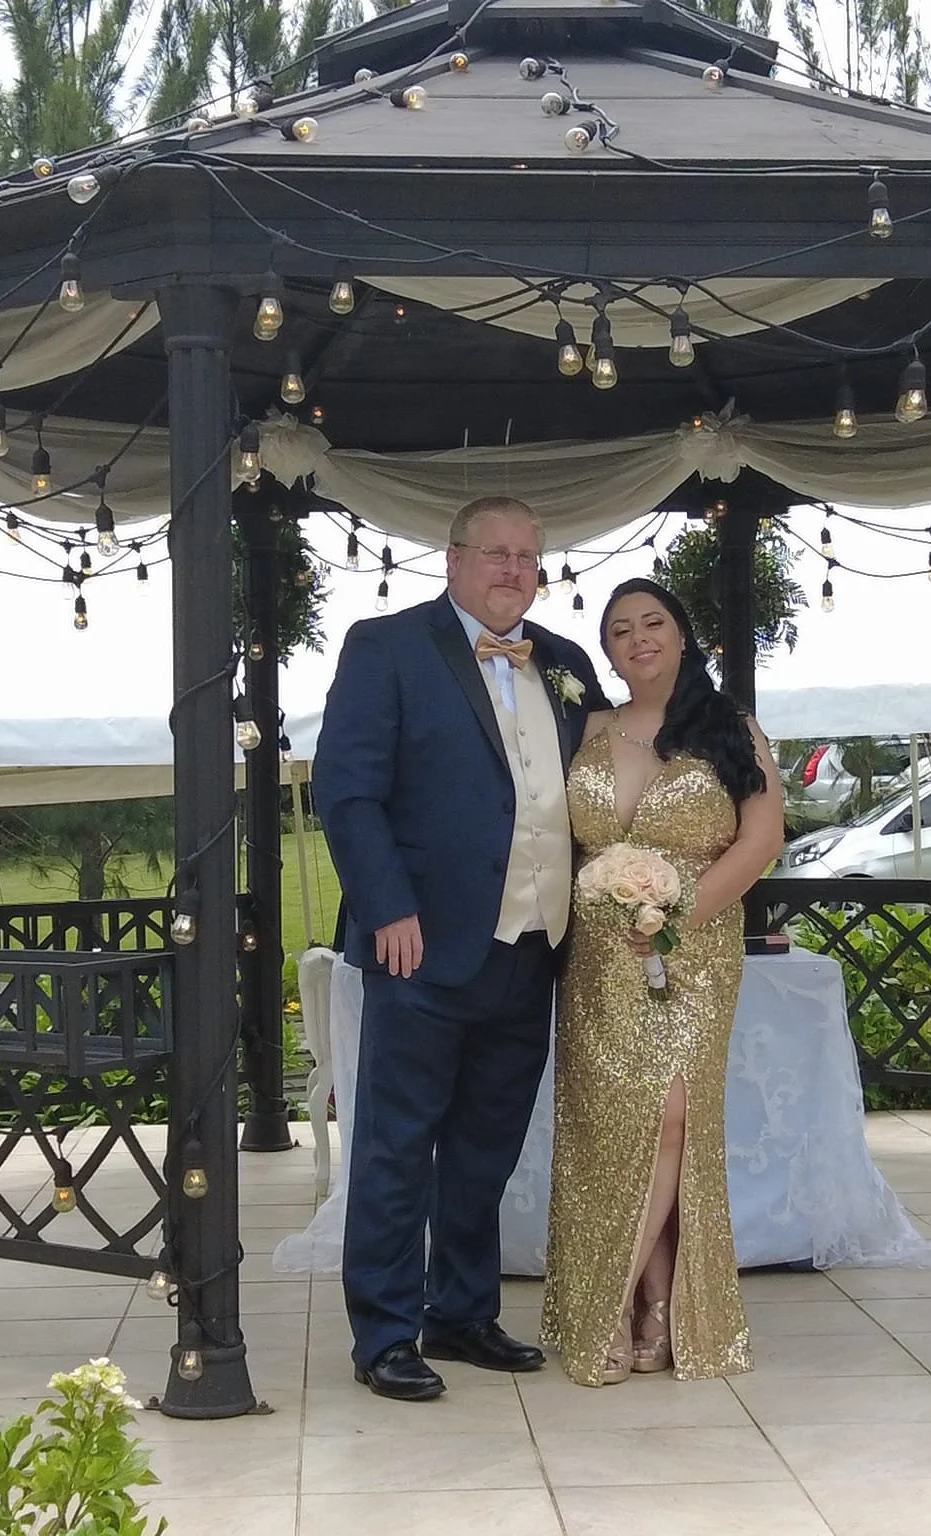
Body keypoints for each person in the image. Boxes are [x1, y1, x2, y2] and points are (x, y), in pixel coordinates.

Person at [313, 495, 611, 1402]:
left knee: (487, 1146)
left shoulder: (564, 662)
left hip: (533, 944)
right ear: (452, 560)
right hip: (421, 946)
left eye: (529, 555)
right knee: (398, 1145)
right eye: (496, 552)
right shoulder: (386, 647)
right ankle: (385, 1333)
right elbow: (346, 789)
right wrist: (387, 906)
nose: (514, 570)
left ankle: (462, 1311)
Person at [540, 577, 786, 1386]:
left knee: (675, 1114)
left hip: (696, 947)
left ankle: (613, 1303)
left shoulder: (729, 727)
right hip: (599, 957)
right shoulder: (587, 726)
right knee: (611, 1129)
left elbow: (761, 838)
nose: (637, 638)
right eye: (619, 630)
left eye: (653, 622)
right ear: (606, 651)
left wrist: (675, 923)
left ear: (683, 636)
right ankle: (648, 1301)